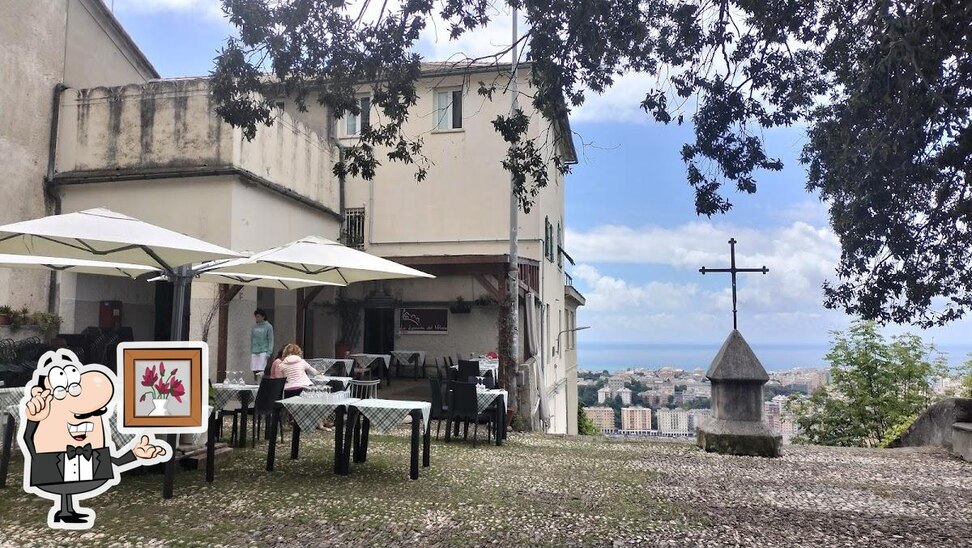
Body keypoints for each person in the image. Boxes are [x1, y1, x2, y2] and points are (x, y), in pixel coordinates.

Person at [20, 349, 168, 529]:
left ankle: (68, 510)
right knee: (63, 486)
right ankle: (65, 511)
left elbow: (113, 462)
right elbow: (28, 438)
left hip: (82, 464)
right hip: (53, 464)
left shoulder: (93, 450)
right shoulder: (46, 426)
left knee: (70, 486)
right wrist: (33, 424)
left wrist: (135, 454)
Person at [250, 309, 274, 383]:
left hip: (264, 350)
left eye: (258, 316)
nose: (257, 318)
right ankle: (255, 381)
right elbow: (252, 338)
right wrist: (251, 349)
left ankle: (261, 382)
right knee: (254, 367)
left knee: (261, 368)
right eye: (256, 317)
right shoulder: (254, 326)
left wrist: (269, 351)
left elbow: (271, 339)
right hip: (254, 350)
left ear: (263, 316)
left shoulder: (268, 326)